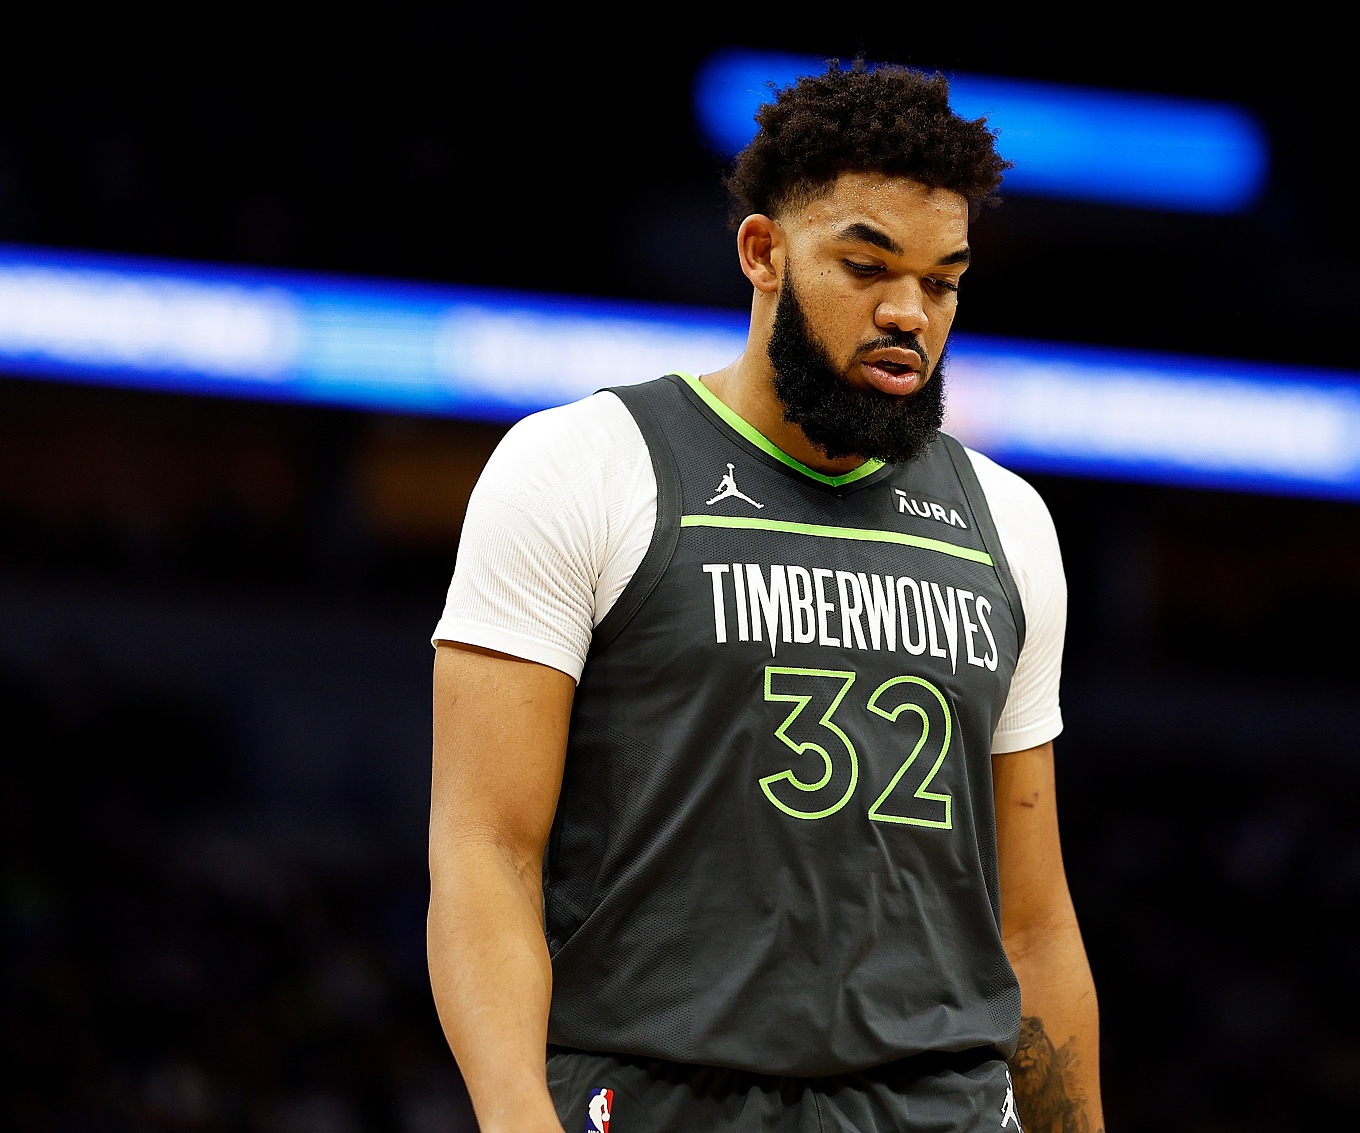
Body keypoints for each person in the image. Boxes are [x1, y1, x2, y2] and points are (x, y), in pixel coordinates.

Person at [427, 60, 1101, 1133]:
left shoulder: (1007, 522)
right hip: (659, 1093)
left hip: (945, 1103)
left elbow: (1032, 925)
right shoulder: (582, 465)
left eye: (941, 282)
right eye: (866, 266)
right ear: (762, 252)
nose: (906, 313)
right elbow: (485, 854)